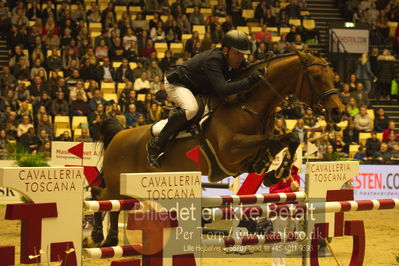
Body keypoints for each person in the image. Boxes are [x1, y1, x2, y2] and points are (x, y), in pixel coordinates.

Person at [147, 30, 264, 167]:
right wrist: (249, 82)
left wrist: (264, 63)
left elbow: (250, 69)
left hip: (198, 87)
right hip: (177, 83)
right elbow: (223, 89)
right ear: (225, 51)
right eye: (237, 53)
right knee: (191, 109)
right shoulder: (213, 60)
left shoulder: (233, 60)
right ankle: (156, 144)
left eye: (243, 54)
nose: (241, 58)